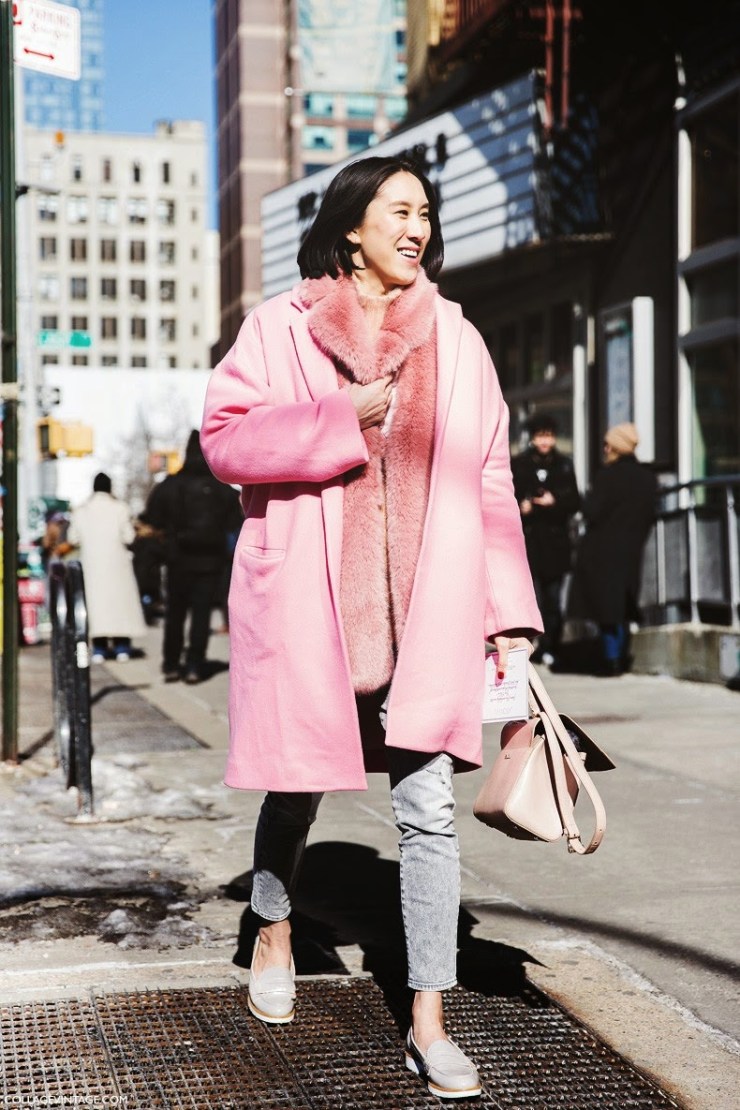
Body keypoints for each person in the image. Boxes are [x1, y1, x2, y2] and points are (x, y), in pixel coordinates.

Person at [200, 155, 542, 1101]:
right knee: (298, 790)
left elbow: (489, 481)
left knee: (427, 814)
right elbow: (225, 442)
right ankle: (273, 926)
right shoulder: (280, 328)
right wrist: (336, 416)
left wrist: (508, 614)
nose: (418, 227)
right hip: (317, 608)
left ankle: (430, 1021)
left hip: (426, 615)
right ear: (353, 225)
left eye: (425, 212)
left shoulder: (459, 341)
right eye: (400, 210)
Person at [142, 429, 242, 685]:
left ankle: (172, 663)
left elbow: (152, 519)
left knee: (175, 613)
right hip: (211, 560)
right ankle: (194, 664)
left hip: (177, 559)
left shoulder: (171, 485)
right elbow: (237, 520)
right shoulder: (223, 490)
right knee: (201, 615)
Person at [570, 422, 657, 675]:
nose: (605, 449)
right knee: (624, 605)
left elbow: (591, 511)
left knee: (607, 608)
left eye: (608, 444)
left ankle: (611, 660)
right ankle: (619, 656)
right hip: (632, 549)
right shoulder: (647, 478)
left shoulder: (606, 477)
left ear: (616, 446)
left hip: (603, 551)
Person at [511, 414, 580, 666]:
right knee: (530, 596)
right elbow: (507, 496)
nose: (544, 441)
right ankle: (531, 644)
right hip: (528, 541)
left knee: (552, 598)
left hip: (555, 542)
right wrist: (522, 506)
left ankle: (552, 644)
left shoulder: (563, 464)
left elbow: (575, 500)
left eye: (548, 436)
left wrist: (555, 502)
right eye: (540, 436)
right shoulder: (519, 465)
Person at [66, 472, 146, 662]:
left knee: (96, 606)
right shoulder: (120, 508)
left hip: (92, 565)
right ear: (110, 487)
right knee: (119, 605)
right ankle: (122, 647)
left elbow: (72, 538)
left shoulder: (81, 510)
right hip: (117, 564)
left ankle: (99, 649)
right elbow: (129, 537)